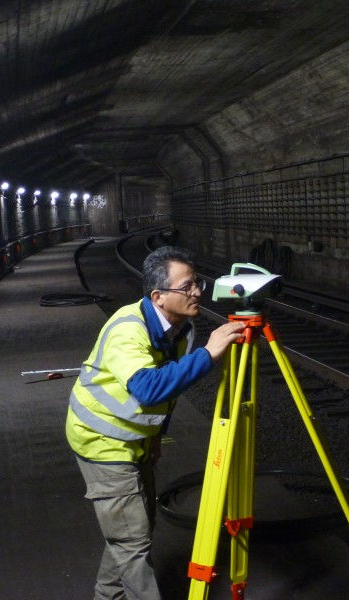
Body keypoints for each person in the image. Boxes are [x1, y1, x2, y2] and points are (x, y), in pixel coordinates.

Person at [65, 245, 245, 600]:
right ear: (158, 296)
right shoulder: (127, 330)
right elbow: (149, 388)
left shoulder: (181, 328)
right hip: (101, 440)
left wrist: (155, 437)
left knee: (132, 531)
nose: (197, 292)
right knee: (132, 541)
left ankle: (107, 596)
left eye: (198, 284)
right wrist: (209, 354)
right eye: (188, 286)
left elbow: (169, 390)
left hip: (135, 439)